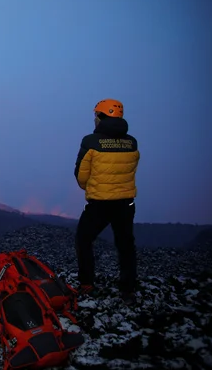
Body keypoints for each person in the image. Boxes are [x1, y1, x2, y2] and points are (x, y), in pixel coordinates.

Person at [73, 98, 140, 304]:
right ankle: (128, 290)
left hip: (99, 204)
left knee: (83, 240)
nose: (94, 119)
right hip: (125, 203)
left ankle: (86, 284)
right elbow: (131, 170)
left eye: (96, 115)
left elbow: (81, 175)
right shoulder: (132, 142)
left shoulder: (91, 142)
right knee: (125, 245)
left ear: (101, 117)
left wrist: (92, 188)